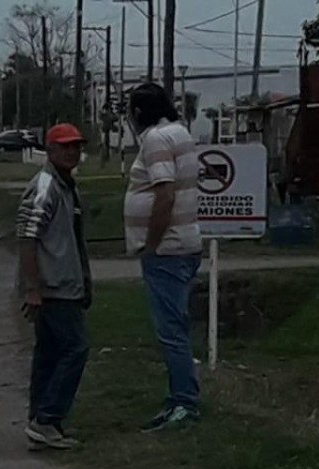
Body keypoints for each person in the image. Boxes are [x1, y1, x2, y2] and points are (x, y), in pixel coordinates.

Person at [124, 81, 203, 432]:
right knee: (175, 326)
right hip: (185, 243)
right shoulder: (180, 132)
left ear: (138, 112)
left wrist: (152, 243)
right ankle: (179, 398)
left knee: (170, 330)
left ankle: (184, 403)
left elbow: (165, 195)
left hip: (168, 249)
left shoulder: (156, 140)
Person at [16, 123, 92, 450]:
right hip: (53, 285)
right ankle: (47, 418)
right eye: (64, 146)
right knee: (75, 348)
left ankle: (42, 422)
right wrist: (33, 287)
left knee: (49, 353)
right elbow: (27, 237)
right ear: (49, 150)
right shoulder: (45, 185)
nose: (72, 152)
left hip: (65, 282)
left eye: (76, 146)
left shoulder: (66, 185)